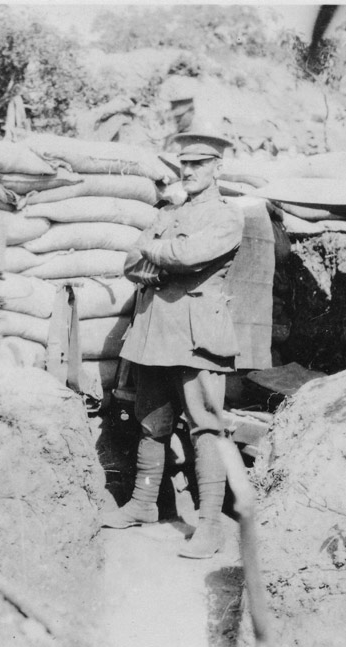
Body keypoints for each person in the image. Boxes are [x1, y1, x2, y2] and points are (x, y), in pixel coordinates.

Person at [101, 133, 244, 560]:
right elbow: (131, 262)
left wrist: (155, 253)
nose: (190, 170)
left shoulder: (226, 215)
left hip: (198, 334)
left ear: (218, 167)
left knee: (206, 427)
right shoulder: (168, 213)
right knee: (151, 423)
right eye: (185, 164)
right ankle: (144, 504)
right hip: (155, 333)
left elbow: (192, 255)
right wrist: (155, 263)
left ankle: (210, 525)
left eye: (200, 163)